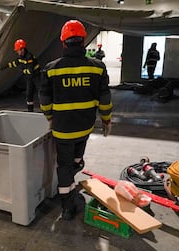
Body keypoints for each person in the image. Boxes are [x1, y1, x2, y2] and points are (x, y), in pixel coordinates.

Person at [39, 20, 113, 220]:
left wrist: (49, 117)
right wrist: (106, 120)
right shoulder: (98, 68)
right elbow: (105, 99)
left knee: (64, 166)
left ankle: (67, 206)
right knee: (77, 158)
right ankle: (74, 175)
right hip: (85, 127)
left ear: (63, 43)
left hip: (62, 130)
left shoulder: (51, 69)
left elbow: (44, 101)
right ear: (83, 42)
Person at [2, 39, 41, 112]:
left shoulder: (29, 57)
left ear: (22, 49)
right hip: (30, 78)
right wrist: (6, 66)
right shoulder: (21, 58)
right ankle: (30, 111)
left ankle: (45, 110)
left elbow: (30, 71)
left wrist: (23, 70)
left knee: (41, 93)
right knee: (29, 94)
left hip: (36, 77)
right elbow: (15, 63)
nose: (17, 52)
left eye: (18, 50)